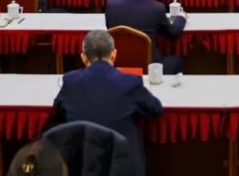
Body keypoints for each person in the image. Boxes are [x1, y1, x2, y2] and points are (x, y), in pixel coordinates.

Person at [53, 30, 163, 176]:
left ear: (84, 58)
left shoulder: (70, 82)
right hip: (122, 168)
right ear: (114, 54)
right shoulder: (130, 83)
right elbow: (155, 109)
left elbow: (58, 108)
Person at [106, 0, 187, 73]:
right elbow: (172, 33)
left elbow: (110, 28)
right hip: (150, 66)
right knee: (177, 62)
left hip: (118, 64)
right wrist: (181, 17)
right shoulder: (156, 7)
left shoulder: (111, 4)